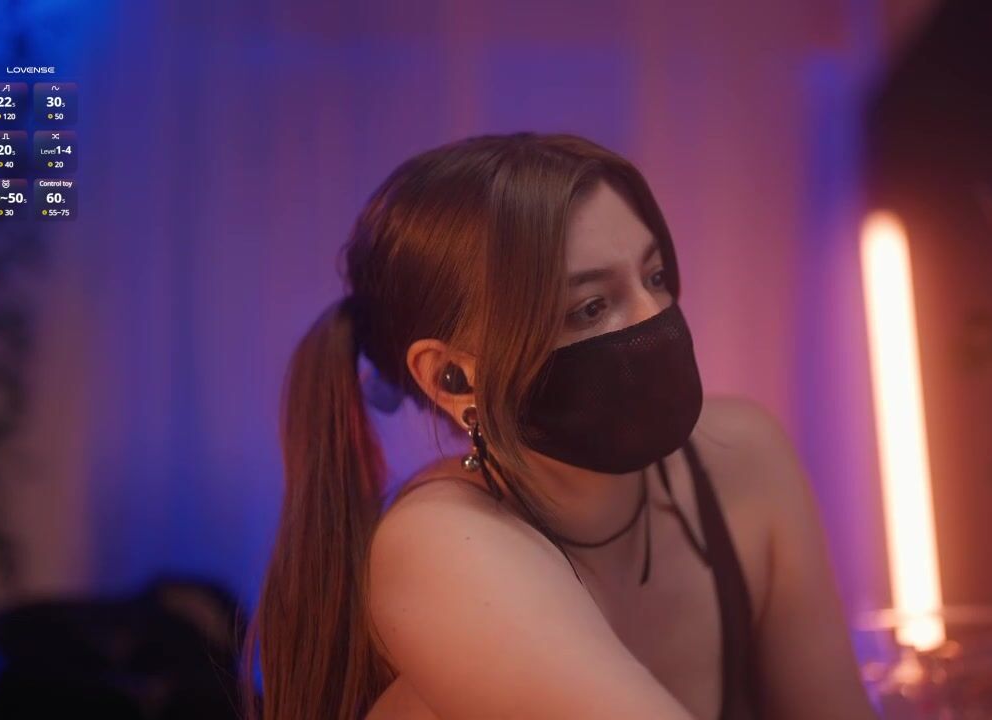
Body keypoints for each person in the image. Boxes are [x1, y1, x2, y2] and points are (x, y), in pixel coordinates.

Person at [241, 132, 878, 720]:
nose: (654, 318)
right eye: (591, 307)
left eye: (655, 276)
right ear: (453, 379)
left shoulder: (742, 454)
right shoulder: (441, 542)